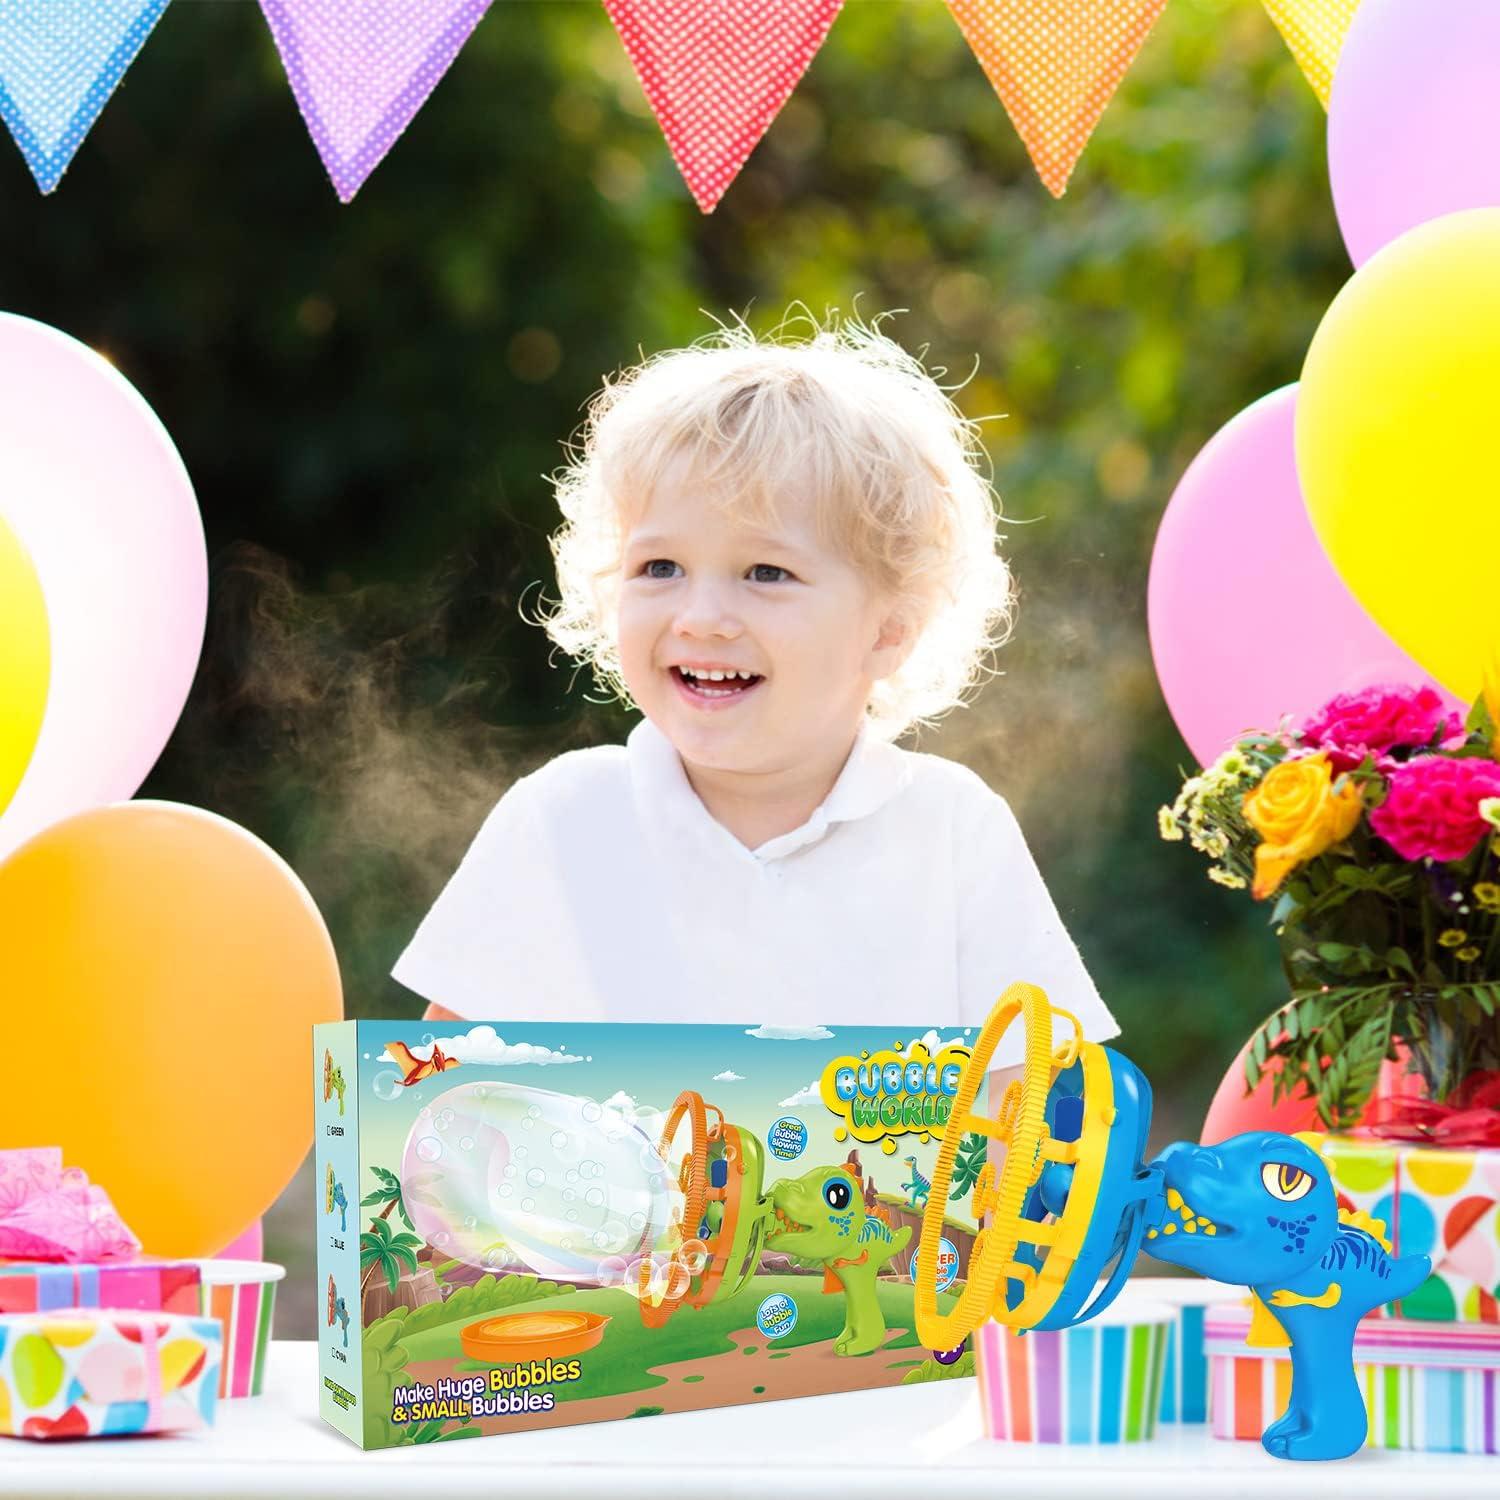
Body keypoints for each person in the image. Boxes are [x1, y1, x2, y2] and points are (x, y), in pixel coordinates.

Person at [393, 313, 1116, 1062]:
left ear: (890, 629)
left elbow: (1035, 1095)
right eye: (660, 568)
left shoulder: (953, 831)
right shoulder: (563, 818)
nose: (701, 618)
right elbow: (434, 1090)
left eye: (767, 572)